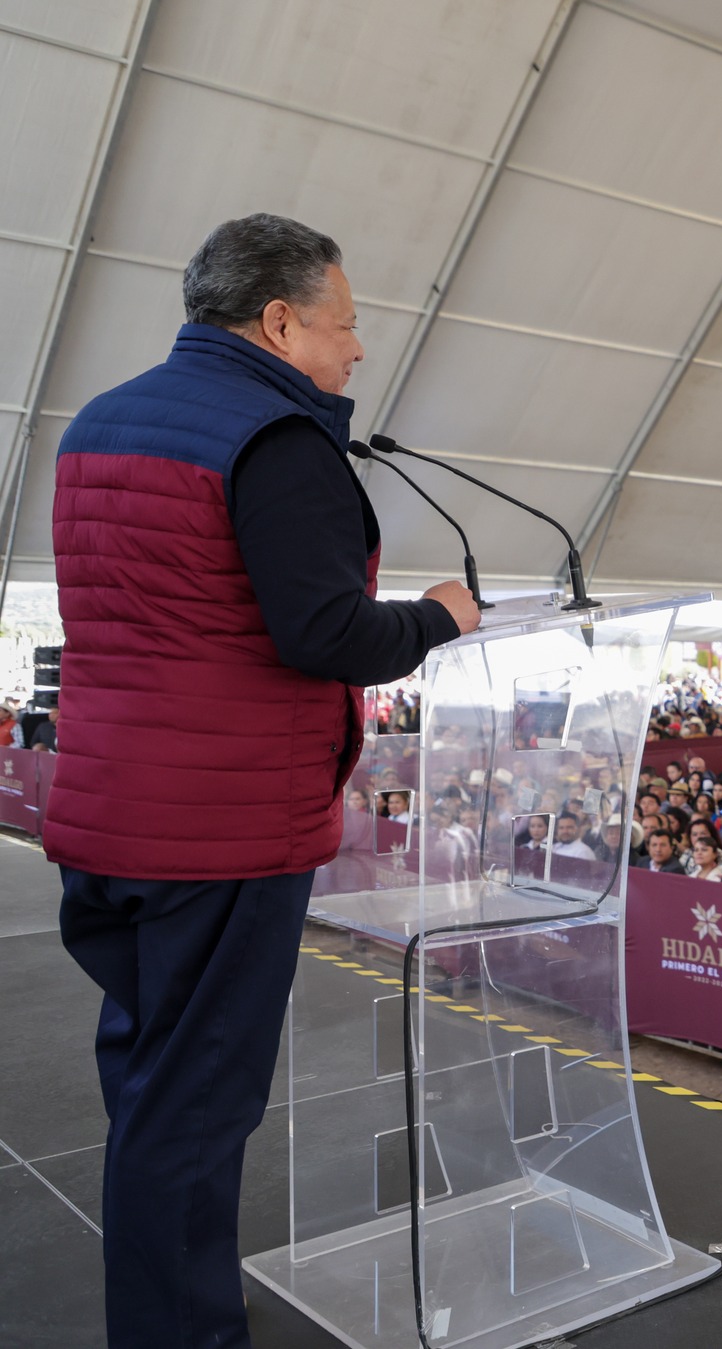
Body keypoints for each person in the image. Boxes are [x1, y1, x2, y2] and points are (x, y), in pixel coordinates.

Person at [47, 214, 485, 1349]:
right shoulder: (275, 438)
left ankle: (162, 1306)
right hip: (218, 829)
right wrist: (437, 617)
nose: (357, 351)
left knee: (151, 1089)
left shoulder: (101, 421)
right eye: (344, 326)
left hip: (110, 812)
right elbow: (325, 630)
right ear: (280, 321)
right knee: (195, 1112)